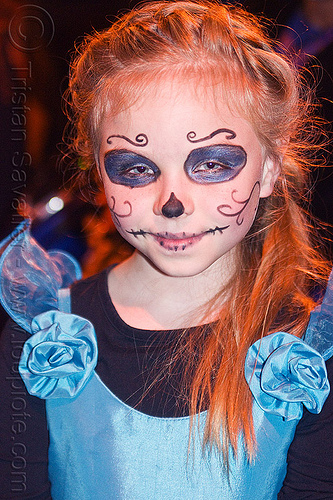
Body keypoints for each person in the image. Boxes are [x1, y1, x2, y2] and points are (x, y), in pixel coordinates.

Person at [0, 1, 333, 498]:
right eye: (135, 168)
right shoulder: (43, 342)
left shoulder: (304, 353)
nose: (171, 202)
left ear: (268, 170)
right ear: (97, 169)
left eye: (212, 164)